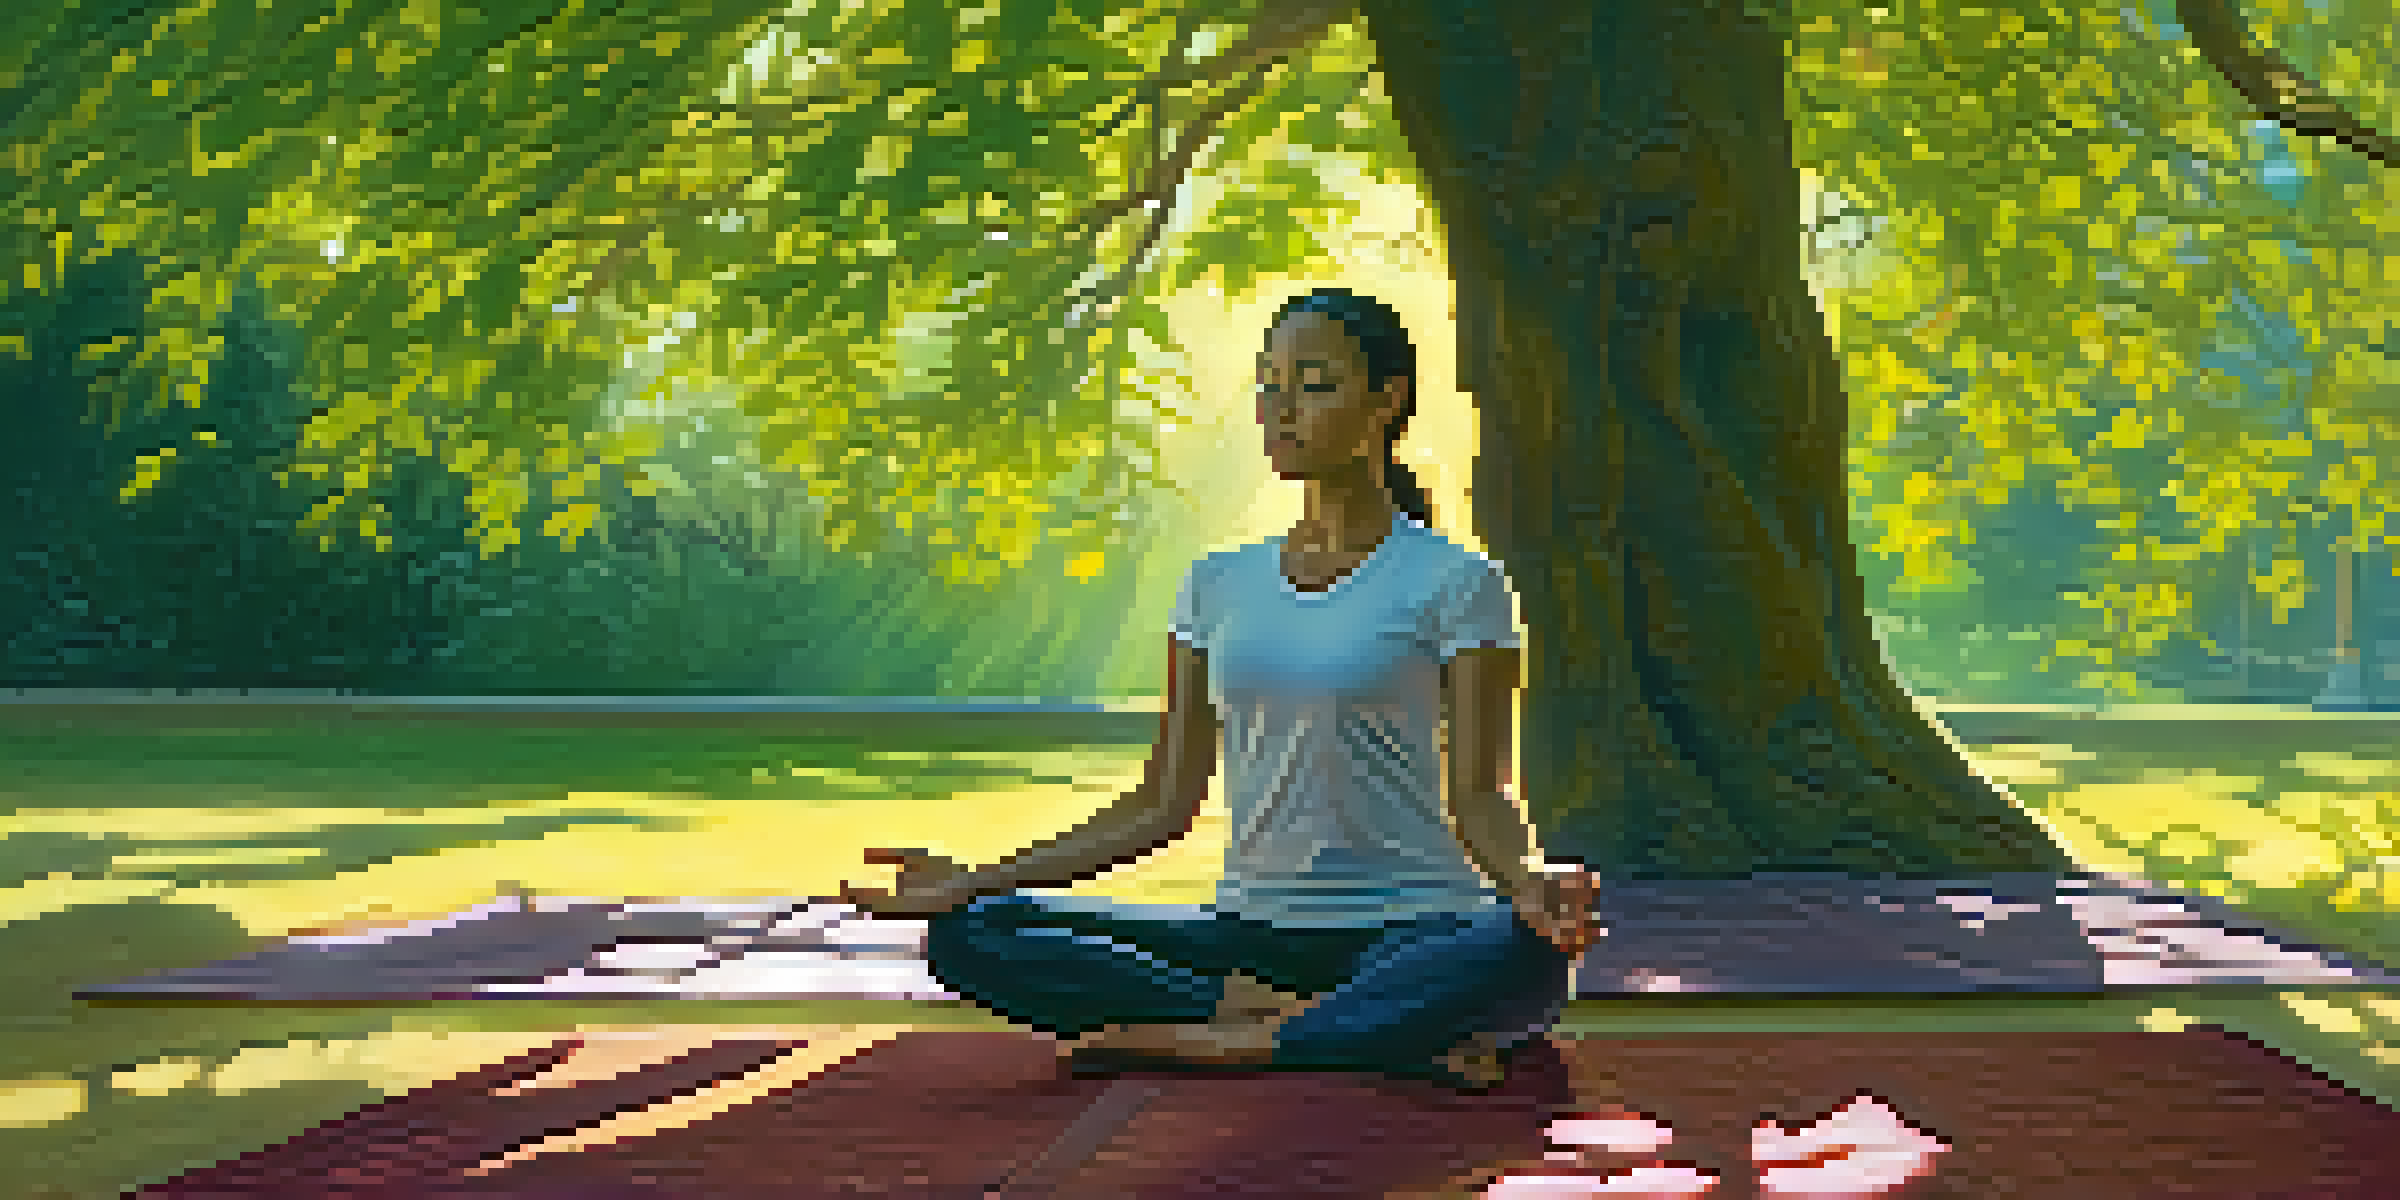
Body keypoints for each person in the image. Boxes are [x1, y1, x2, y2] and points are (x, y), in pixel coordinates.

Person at [840, 287, 1602, 1092]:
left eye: (1314, 384)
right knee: (970, 936)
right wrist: (972, 881)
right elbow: (1161, 807)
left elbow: (1482, 794)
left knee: (1524, 963)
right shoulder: (1217, 586)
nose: (1284, 411)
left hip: (1415, 931)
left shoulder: (1459, 584)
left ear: (1388, 399)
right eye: (1271, 386)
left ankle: (1243, 1036)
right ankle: (1344, 1028)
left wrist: (1530, 889)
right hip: (1245, 940)